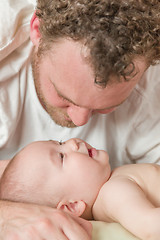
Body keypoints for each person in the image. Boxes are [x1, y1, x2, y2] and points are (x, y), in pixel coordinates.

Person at [0, 0, 160, 239]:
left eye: (107, 107)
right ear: (37, 31)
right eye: (64, 97)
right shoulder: (7, 40)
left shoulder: (151, 83)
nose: (80, 121)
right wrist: (6, 214)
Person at [0, 138, 160, 240]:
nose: (72, 142)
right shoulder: (113, 193)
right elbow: (150, 227)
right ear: (72, 206)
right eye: (61, 156)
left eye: (60, 142)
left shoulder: (112, 182)